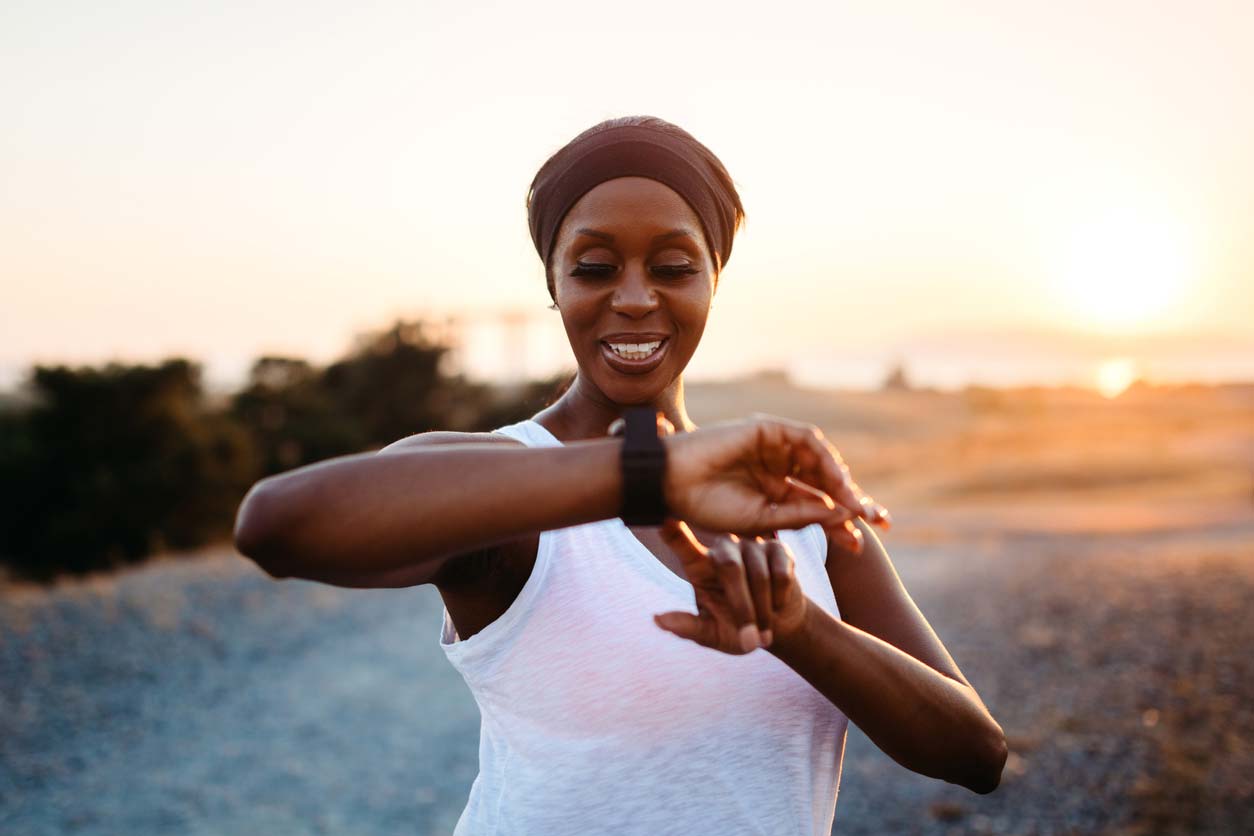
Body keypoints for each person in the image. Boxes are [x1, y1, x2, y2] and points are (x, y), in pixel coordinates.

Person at [233, 115, 1007, 834]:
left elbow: (975, 755)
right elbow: (278, 528)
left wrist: (798, 629)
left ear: (713, 281)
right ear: (554, 283)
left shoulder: (794, 509)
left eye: (673, 266)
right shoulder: (513, 483)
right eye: (595, 266)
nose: (635, 299)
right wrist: (649, 473)